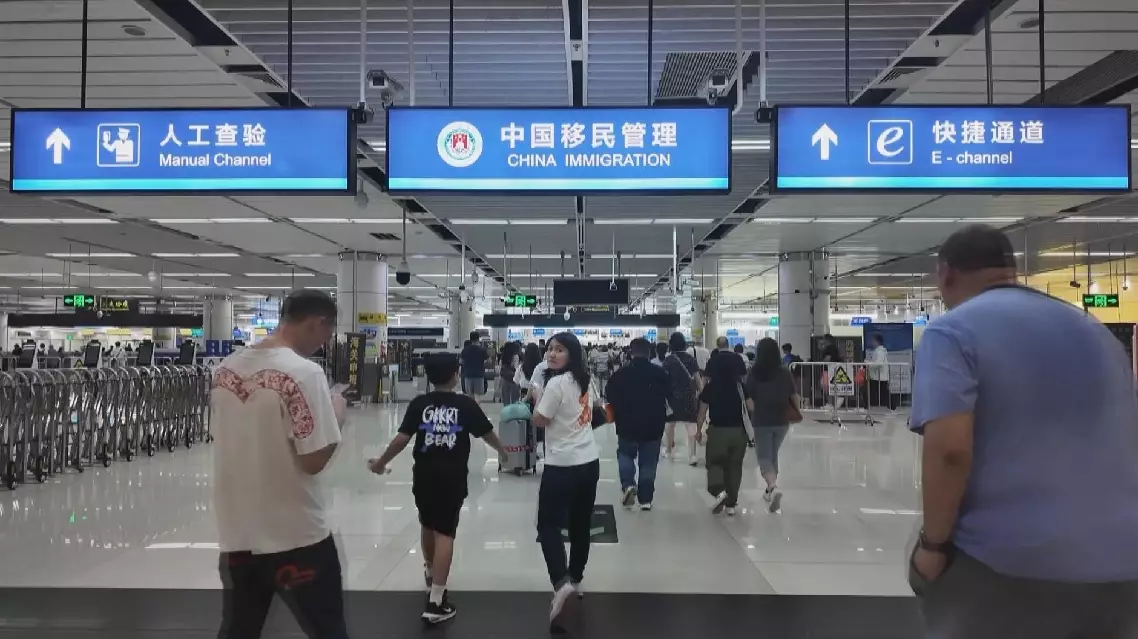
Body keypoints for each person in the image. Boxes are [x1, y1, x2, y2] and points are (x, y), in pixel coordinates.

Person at [908, 225, 1138, 638]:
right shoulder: (1093, 329)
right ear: (1010, 270)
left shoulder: (952, 331)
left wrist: (933, 546)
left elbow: (950, 451)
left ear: (945, 273)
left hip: (1009, 564)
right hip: (1121, 562)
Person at [210, 290, 350, 639]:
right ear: (318, 323)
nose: (323, 343)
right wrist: (337, 414)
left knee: (239, 630)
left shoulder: (225, 371)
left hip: (238, 536)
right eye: (327, 333)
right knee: (328, 630)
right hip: (297, 537)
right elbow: (313, 459)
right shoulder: (304, 373)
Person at [367, 353, 508, 625]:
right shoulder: (465, 405)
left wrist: (381, 462)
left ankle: (431, 572)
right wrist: (502, 451)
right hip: (451, 477)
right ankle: (436, 601)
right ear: (455, 375)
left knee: (427, 523)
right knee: (445, 533)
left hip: (423, 475)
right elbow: (487, 433)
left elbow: (401, 439)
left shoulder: (419, 404)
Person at [531, 332, 601, 625]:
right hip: (589, 462)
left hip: (561, 464)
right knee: (580, 523)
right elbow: (595, 412)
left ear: (571, 353)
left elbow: (540, 419)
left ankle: (561, 584)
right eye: (549, 349)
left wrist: (537, 398)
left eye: (559, 350)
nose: (552, 354)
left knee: (547, 525)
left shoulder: (556, 384)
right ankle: (576, 577)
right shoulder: (586, 381)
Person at [606, 338, 673, 511]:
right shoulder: (659, 373)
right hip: (653, 424)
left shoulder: (620, 374)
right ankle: (646, 499)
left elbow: (609, 395)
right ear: (649, 352)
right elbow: (670, 395)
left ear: (631, 352)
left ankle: (628, 485)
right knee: (649, 461)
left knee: (625, 455)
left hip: (626, 423)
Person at [695, 346, 751, 517]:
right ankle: (731, 505)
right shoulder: (741, 387)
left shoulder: (711, 388)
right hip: (739, 432)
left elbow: (702, 412)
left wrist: (698, 430)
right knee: (734, 466)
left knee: (715, 463)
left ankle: (719, 492)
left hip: (718, 431)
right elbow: (751, 408)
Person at [746, 338, 800, 513]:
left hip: (762, 420)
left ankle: (773, 486)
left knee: (764, 457)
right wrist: (797, 411)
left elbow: (749, 399)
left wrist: (753, 413)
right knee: (772, 454)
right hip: (782, 420)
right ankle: (770, 491)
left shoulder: (754, 373)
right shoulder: (784, 372)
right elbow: (794, 396)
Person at [662, 332, 701, 465]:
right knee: (690, 425)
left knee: (670, 425)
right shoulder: (691, 359)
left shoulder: (668, 360)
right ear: (684, 343)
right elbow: (698, 379)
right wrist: (701, 393)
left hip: (671, 397)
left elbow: (664, 380)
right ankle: (692, 455)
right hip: (688, 396)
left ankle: (668, 451)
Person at [459, 332, 487, 401]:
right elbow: (489, 361)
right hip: (479, 375)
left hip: (468, 375)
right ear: (478, 339)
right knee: (477, 395)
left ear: (470, 339)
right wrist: (482, 363)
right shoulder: (482, 349)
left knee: (470, 395)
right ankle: (476, 407)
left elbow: (461, 361)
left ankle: (471, 407)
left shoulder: (465, 350)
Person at [865, 333, 890, 409]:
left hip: (880, 376)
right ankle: (889, 406)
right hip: (878, 376)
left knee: (883, 393)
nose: (872, 342)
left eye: (873, 340)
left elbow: (878, 363)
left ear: (876, 341)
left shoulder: (880, 351)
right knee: (882, 392)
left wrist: (868, 363)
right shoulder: (879, 351)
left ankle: (890, 406)